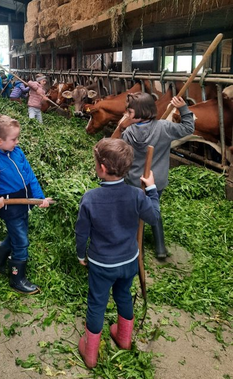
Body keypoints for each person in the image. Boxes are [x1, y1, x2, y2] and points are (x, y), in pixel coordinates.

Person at [76, 138, 160, 369]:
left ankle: (91, 353)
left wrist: (81, 255)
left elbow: (81, 233)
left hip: (102, 265)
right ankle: (123, 338)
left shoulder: (90, 198)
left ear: (101, 168)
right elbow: (153, 217)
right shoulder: (136, 195)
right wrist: (151, 189)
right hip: (129, 261)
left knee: (96, 303)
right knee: (123, 294)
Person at [0, 115, 52, 294]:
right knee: (21, 242)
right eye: (13, 139)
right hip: (10, 208)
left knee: (16, 234)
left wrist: (39, 198)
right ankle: (17, 279)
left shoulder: (17, 152)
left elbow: (29, 176)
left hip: (24, 203)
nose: (17, 141)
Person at [119, 92, 194, 258]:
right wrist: (183, 109)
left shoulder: (129, 133)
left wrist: (120, 127)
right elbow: (189, 128)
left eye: (129, 112)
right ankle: (160, 249)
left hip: (134, 181)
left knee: (136, 213)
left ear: (141, 112)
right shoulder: (164, 127)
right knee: (154, 207)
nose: (127, 114)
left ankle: (138, 248)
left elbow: (121, 155)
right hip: (156, 181)